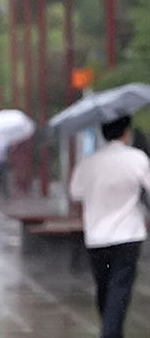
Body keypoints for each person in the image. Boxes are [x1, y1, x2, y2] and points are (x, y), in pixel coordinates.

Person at [69, 115, 149, 338]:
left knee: (104, 288)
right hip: (128, 235)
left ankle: (110, 330)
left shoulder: (89, 162)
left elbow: (75, 192)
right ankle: (111, 332)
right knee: (119, 288)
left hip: (96, 236)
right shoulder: (136, 158)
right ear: (126, 132)